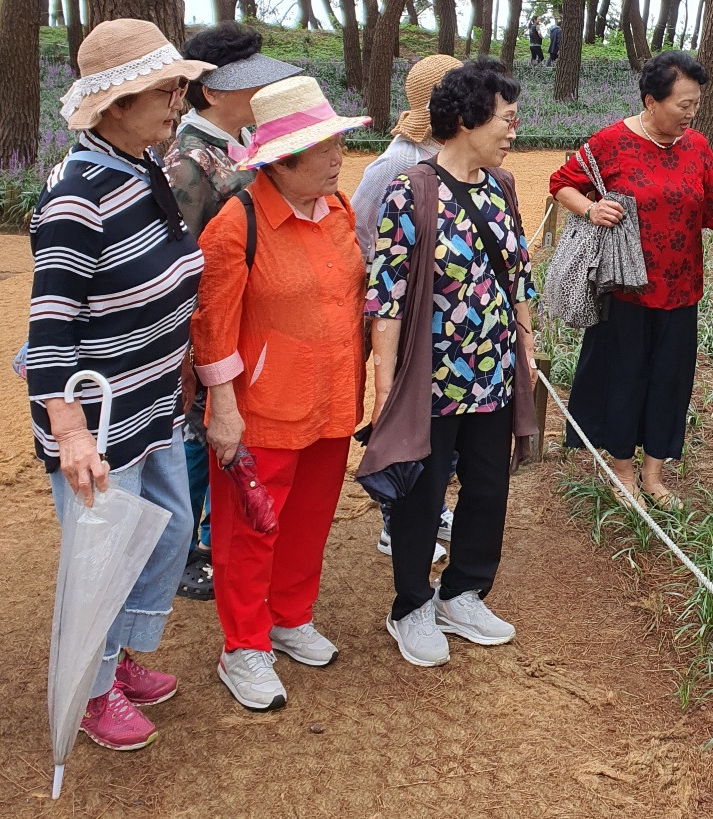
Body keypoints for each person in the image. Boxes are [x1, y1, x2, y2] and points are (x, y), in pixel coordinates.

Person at [25, 19, 214, 753]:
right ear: (116, 104)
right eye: (163, 87)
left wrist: (182, 368)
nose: (178, 97)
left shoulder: (143, 167)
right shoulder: (78, 195)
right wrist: (69, 433)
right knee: (100, 553)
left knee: (163, 531)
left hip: (151, 396)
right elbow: (48, 330)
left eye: (176, 84)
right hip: (97, 415)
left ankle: (120, 652)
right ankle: (92, 684)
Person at [191, 75, 368, 712]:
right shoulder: (235, 225)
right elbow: (211, 327)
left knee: (310, 516)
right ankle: (244, 645)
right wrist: (225, 410)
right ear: (284, 158)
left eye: (334, 144)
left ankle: (290, 616)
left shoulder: (338, 210)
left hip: (329, 401)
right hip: (260, 411)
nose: (337, 156)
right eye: (323, 147)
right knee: (249, 529)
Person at [362, 58, 538, 668]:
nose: (514, 130)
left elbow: (519, 275)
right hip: (429, 381)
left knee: (489, 487)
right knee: (423, 492)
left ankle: (463, 591)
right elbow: (385, 294)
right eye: (506, 119)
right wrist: (384, 387)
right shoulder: (412, 188)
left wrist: (527, 347)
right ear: (464, 120)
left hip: (492, 372)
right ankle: (410, 604)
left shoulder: (503, 186)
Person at [548, 51, 713, 508]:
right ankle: (622, 473)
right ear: (650, 101)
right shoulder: (610, 142)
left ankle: (653, 477)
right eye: (683, 105)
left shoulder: (695, 146)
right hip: (625, 291)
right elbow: (563, 182)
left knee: (668, 382)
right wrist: (590, 208)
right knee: (624, 378)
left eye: (696, 104)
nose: (691, 114)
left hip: (680, 290)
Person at [163, 24, 299, 601]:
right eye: (247, 83)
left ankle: (217, 538)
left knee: (225, 434)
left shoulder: (235, 145)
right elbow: (184, 260)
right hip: (208, 333)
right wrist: (195, 352)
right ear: (212, 92)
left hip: (247, 328)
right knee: (201, 438)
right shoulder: (189, 163)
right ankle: (191, 549)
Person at [350, 52, 463, 563]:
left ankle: (429, 506)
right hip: (396, 316)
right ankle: (395, 523)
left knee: (437, 422)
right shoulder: (396, 164)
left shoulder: (448, 160)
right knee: (400, 419)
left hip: (436, 321)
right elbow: (356, 235)